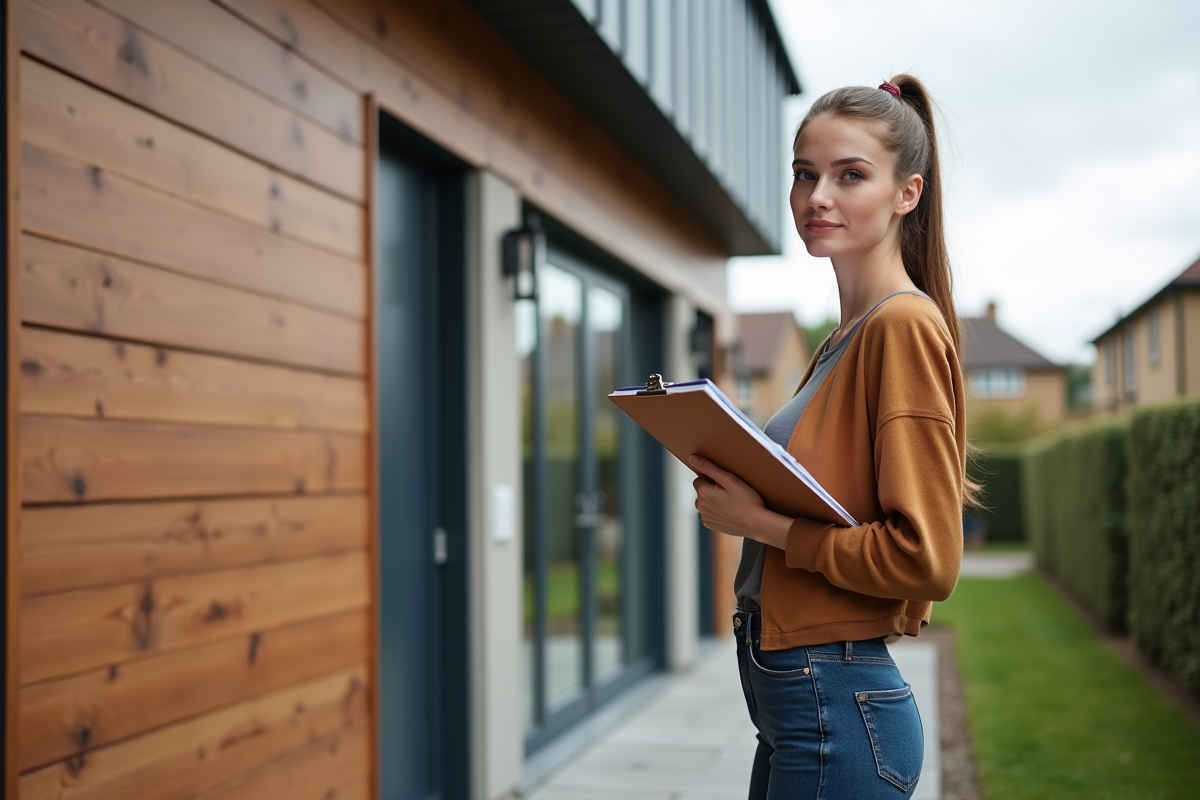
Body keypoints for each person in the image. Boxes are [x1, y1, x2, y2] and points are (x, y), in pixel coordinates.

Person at [689, 75, 971, 799]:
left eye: (851, 175)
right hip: (800, 702)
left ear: (907, 193)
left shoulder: (900, 328)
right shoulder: (843, 339)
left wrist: (762, 523)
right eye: (804, 173)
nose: (817, 196)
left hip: (833, 703)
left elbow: (926, 560)